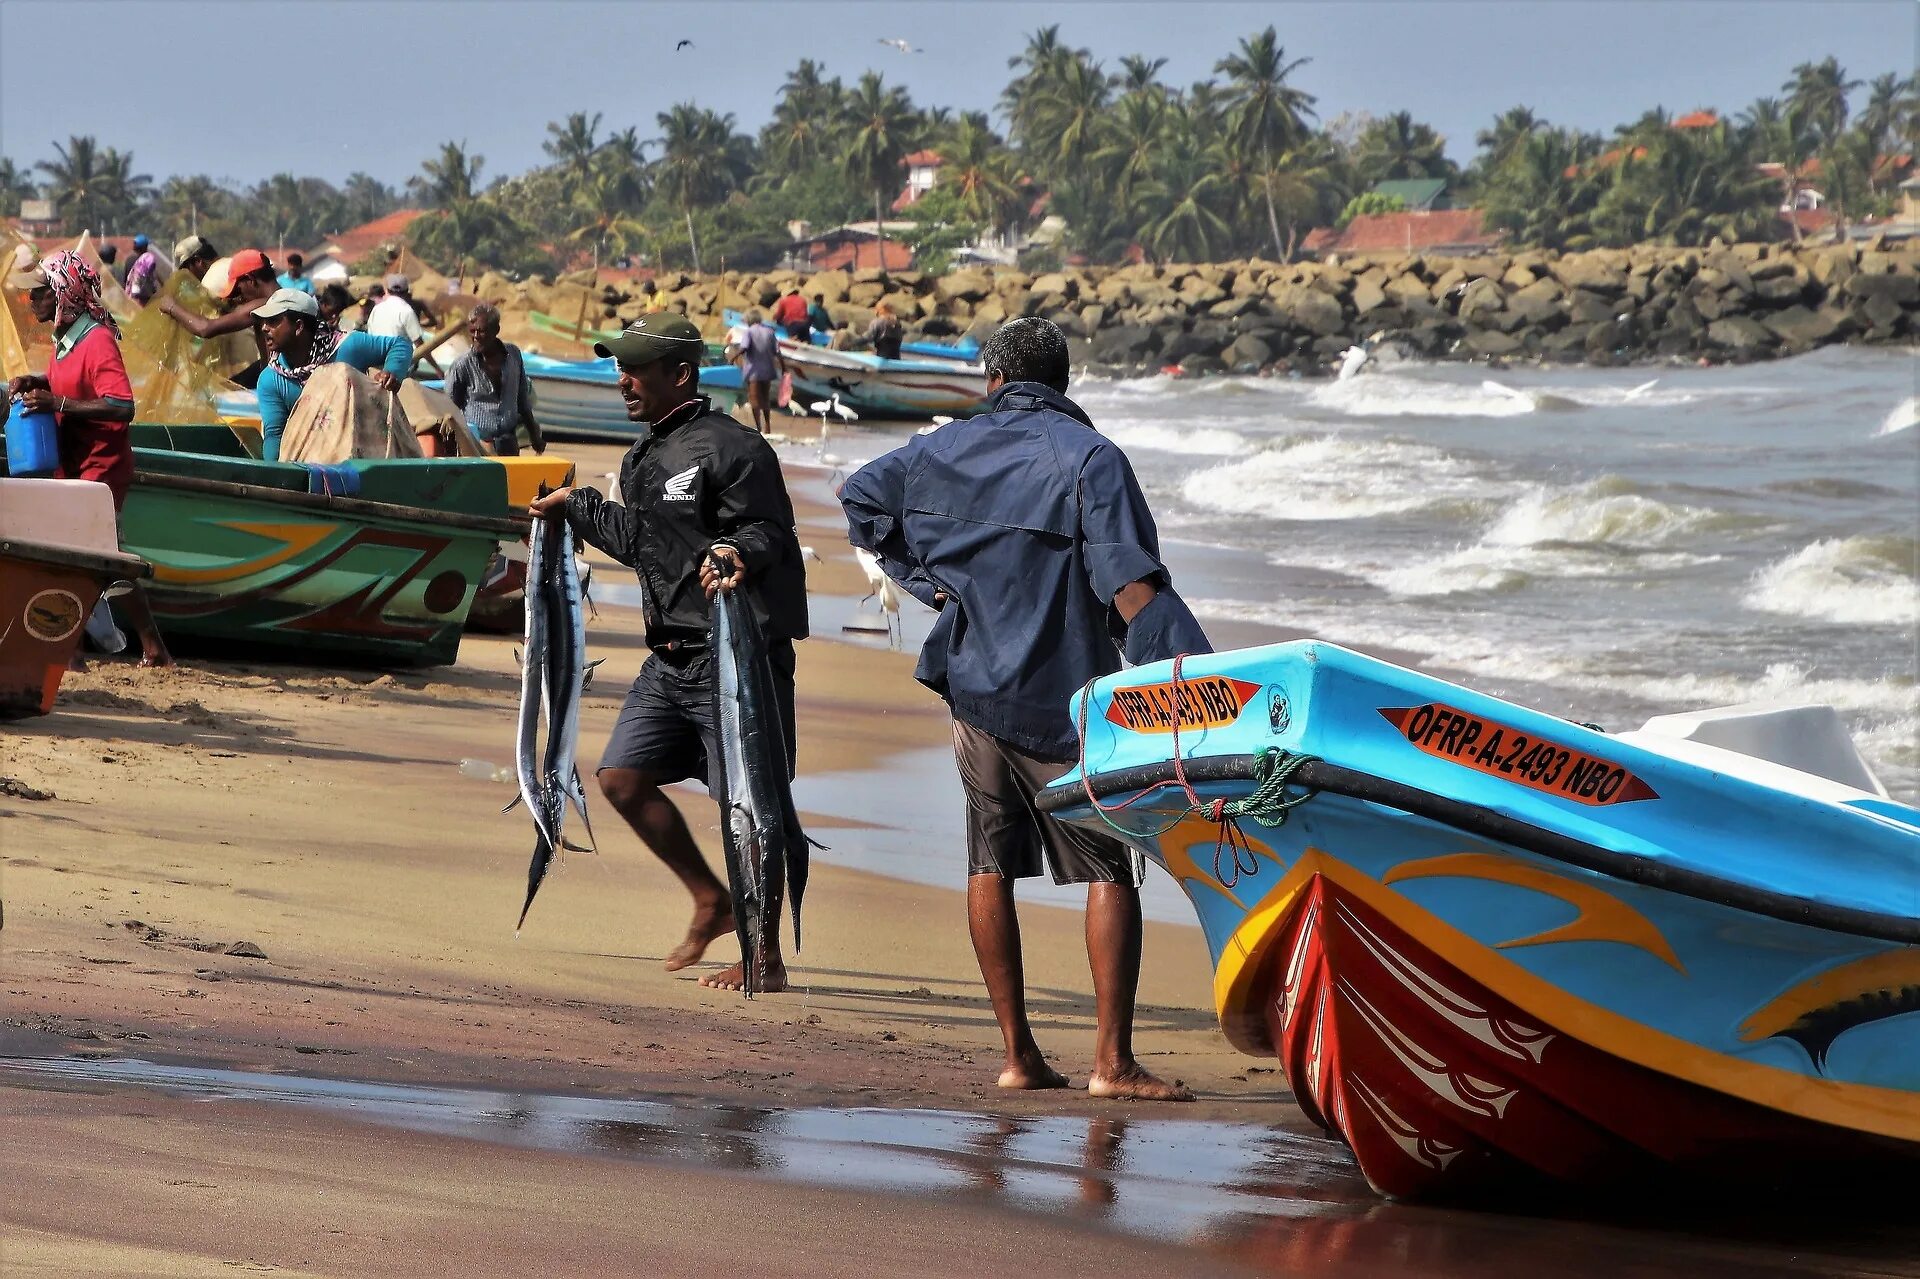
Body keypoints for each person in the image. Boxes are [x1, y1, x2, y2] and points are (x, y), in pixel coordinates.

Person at [840, 317, 1212, 1101]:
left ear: (991, 379)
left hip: (974, 690)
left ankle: (1019, 1055)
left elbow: (861, 496)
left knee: (988, 861)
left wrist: (929, 581)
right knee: (1112, 866)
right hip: (1065, 702)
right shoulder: (1091, 459)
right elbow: (1132, 586)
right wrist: (1197, 684)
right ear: (1065, 379)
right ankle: (1111, 1063)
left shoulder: (942, 448)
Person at [526, 314, 809, 992]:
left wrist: (735, 551)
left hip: (736, 657)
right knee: (621, 777)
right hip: (670, 658)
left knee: (746, 801)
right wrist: (578, 506)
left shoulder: (735, 449)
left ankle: (763, 953)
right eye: (619, 367)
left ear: (679, 375)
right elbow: (638, 539)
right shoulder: (644, 455)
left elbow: (768, 530)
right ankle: (711, 899)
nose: (622, 380)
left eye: (635, 369)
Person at [6, 252, 173, 667]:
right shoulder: (65, 339)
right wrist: (39, 382)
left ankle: (127, 648)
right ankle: (95, 647)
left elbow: (121, 405)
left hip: (101, 466)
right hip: (75, 462)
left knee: (99, 557)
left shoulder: (96, 339)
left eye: (41, 293)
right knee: (91, 555)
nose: (33, 302)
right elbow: (71, 380)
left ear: (63, 294)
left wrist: (56, 400)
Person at [251, 288, 412, 462]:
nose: (264, 328)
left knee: (339, 372)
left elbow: (399, 344)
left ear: (298, 327)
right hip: (314, 464)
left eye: (273, 321)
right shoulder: (270, 379)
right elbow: (275, 435)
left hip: (364, 454)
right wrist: (273, 475)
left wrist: (392, 371)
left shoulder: (347, 346)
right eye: (264, 322)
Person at [446, 303, 544, 456]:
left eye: (482, 331)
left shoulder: (513, 355)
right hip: (477, 444)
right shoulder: (462, 365)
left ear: (496, 331)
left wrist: (534, 435)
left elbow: (522, 400)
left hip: (509, 442)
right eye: (472, 331)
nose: (476, 336)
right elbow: (450, 410)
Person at [366, 274, 441, 376]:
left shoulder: (376, 309)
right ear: (406, 292)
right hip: (396, 368)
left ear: (387, 290)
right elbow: (420, 345)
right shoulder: (407, 311)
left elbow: (370, 338)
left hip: (375, 366)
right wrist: (437, 369)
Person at [736, 308, 780, 434]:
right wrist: (784, 368)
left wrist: (733, 357)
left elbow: (744, 347)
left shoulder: (749, 332)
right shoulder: (770, 331)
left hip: (753, 371)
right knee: (765, 398)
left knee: (754, 399)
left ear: (749, 320)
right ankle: (768, 427)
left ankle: (759, 428)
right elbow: (777, 352)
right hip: (767, 370)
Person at [123, 234, 162, 305]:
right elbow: (154, 277)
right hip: (144, 296)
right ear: (144, 247)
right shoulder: (147, 260)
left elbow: (126, 279)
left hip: (131, 295)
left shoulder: (129, 260)